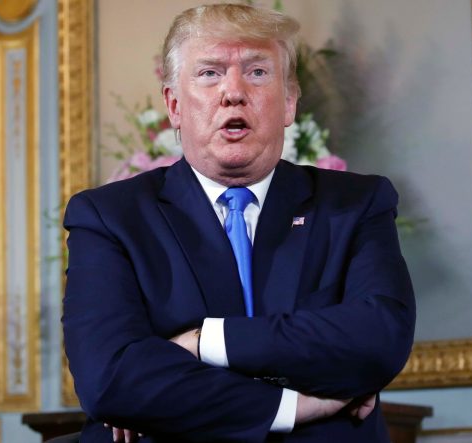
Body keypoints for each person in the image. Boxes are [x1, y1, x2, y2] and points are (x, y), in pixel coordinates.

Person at [63, 4, 415, 442]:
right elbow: (111, 378)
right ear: (174, 105)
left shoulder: (356, 204)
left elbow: (379, 339)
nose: (233, 92)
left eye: (257, 72)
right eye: (209, 73)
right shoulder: (110, 217)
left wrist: (202, 341)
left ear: (289, 103)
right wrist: (290, 406)